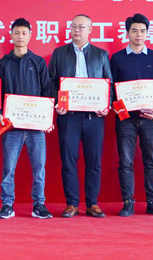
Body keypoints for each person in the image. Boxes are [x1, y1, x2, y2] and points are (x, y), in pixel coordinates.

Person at [48, 14, 112, 218]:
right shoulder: (59, 53)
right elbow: (51, 82)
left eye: (82, 27)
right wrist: (57, 103)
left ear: (90, 30)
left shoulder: (101, 54)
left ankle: (92, 203)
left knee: (94, 160)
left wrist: (107, 105)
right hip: (69, 116)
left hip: (94, 116)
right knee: (69, 160)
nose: (77, 30)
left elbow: (108, 83)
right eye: (74, 26)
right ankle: (72, 203)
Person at [0, 18, 54, 219]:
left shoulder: (38, 62)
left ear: (30, 36)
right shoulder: (3, 63)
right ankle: (7, 205)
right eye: (17, 33)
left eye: (24, 33)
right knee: (8, 168)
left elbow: (47, 91)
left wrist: (47, 119)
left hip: (36, 126)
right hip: (11, 127)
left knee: (39, 169)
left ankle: (39, 205)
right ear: (11, 36)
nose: (20, 36)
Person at [110, 13, 153, 217]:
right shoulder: (117, 58)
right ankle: (128, 202)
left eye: (143, 31)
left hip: (150, 118)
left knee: (152, 160)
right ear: (127, 33)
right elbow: (112, 89)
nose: (139, 34)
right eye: (134, 30)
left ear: (147, 33)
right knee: (126, 161)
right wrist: (119, 109)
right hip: (125, 119)